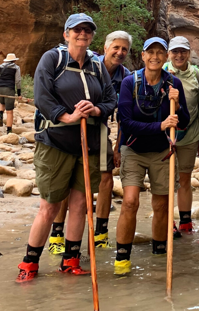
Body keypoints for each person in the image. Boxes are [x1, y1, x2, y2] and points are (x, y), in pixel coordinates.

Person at [16, 13, 117, 282]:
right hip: (56, 143)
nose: (82, 34)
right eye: (77, 30)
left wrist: (95, 109)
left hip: (90, 143)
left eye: (87, 30)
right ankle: (29, 263)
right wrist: (67, 116)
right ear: (66, 34)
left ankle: (70, 260)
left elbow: (110, 99)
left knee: (81, 202)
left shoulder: (97, 65)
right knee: (49, 205)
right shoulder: (53, 59)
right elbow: (42, 96)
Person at [47, 31, 132, 254]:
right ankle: (57, 234)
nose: (119, 52)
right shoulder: (87, 62)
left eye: (124, 49)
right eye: (116, 47)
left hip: (100, 129)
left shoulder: (126, 77)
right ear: (105, 47)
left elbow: (123, 114)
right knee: (68, 182)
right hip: (70, 128)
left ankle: (100, 234)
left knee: (106, 178)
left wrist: (118, 146)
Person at [114, 37, 189, 276]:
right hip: (134, 149)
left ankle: (159, 256)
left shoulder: (173, 83)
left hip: (162, 152)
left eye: (160, 52)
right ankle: (122, 260)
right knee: (130, 201)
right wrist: (160, 126)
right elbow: (125, 122)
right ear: (143, 56)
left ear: (166, 57)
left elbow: (184, 120)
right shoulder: (129, 83)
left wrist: (176, 103)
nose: (155, 56)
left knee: (161, 205)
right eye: (150, 52)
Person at [163, 36, 199, 237]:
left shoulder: (197, 75)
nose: (179, 55)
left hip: (189, 134)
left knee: (184, 178)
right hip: (164, 135)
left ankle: (185, 221)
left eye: (183, 51)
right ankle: (168, 221)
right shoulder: (160, 72)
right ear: (169, 54)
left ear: (189, 53)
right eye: (175, 51)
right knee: (166, 180)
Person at [0, 53, 22, 134]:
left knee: (2, 102)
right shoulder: (16, 68)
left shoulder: (0, 66)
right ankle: (9, 131)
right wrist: (19, 94)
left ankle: (0, 114)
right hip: (9, 89)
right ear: (14, 60)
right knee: (9, 111)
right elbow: (18, 81)